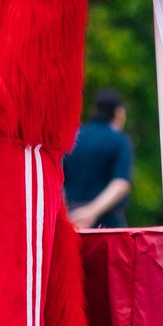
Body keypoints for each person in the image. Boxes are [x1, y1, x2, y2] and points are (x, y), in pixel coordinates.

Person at [63, 88, 134, 229]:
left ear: (94, 110)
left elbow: (58, 179)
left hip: (71, 219)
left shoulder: (72, 137)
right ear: (119, 112)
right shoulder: (120, 141)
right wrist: (91, 212)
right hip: (107, 222)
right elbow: (120, 183)